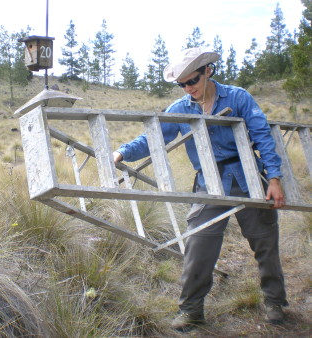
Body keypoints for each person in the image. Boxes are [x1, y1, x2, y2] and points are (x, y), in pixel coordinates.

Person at [113, 47, 288, 331]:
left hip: (248, 180)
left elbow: (262, 136)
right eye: (181, 84)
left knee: (265, 244)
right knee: (198, 245)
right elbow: (153, 136)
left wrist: (275, 179)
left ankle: (274, 302)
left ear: (208, 71)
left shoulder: (238, 97)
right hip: (208, 184)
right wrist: (122, 152)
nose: (188, 88)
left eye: (192, 81)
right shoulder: (180, 109)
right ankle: (191, 311)